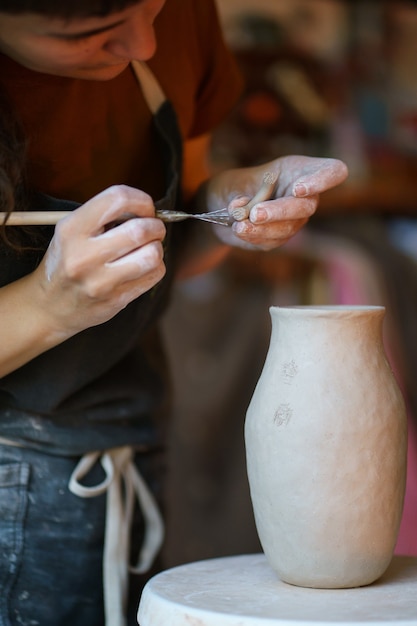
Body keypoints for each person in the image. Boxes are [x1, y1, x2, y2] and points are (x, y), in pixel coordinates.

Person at [0, 1, 348, 625]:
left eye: (155, 8)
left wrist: (229, 207)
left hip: (132, 445)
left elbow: (180, 242)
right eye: (92, 31)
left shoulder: (177, 17)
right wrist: (50, 305)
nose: (145, 45)